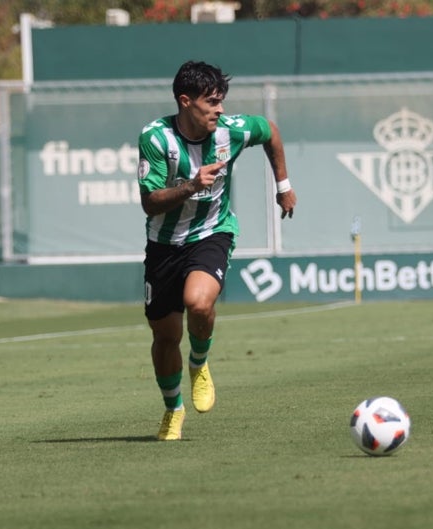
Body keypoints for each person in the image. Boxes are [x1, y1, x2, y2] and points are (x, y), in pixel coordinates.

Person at [137, 61, 297, 440]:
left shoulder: (231, 131)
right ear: (185, 101)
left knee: (198, 302)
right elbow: (150, 202)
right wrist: (191, 186)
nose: (220, 109)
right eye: (212, 102)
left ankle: (200, 362)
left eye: (222, 101)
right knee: (164, 336)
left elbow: (270, 131)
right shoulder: (156, 138)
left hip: (212, 233)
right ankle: (173, 409)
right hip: (163, 246)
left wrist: (284, 185)